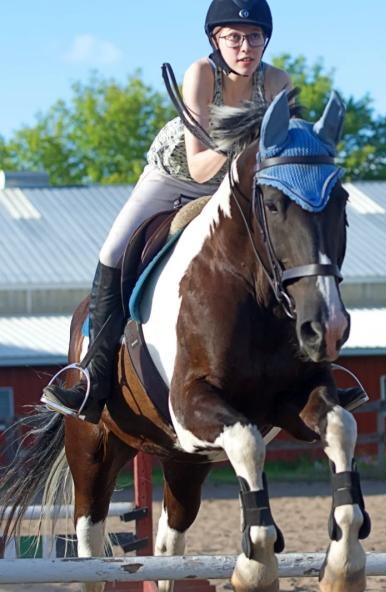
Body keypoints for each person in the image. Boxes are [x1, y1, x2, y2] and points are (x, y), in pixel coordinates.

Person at [41, 0, 292, 423]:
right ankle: (94, 377)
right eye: (234, 38)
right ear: (216, 40)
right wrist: (249, 134)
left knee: (290, 246)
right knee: (112, 251)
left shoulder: (277, 81)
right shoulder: (201, 74)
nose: (245, 47)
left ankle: (309, 367)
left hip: (233, 184)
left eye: (254, 37)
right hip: (174, 176)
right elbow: (197, 166)